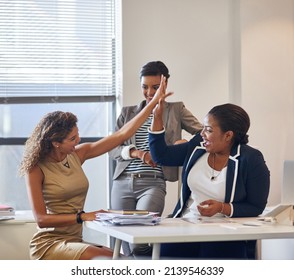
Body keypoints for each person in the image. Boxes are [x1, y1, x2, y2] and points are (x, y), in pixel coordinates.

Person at [18, 75, 170, 260]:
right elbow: (41, 220)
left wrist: (153, 103)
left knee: (123, 260)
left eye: (77, 134)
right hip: (48, 244)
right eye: (72, 139)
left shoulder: (77, 155)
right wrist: (82, 216)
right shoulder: (36, 168)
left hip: (75, 240)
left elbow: (122, 135)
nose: (78, 140)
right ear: (56, 143)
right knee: (110, 260)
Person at [149, 102, 270, 259]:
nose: (202, 134)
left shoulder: (251, 159)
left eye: (209, 130)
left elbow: (256, 206)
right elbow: (161, 156)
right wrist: (157, 117)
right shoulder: (197, 147)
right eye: (203, 128)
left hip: (225, 232)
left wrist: (222, 207)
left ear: (228, 135)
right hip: (185, 225)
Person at [108, 61, 202, 257]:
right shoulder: (127, 113)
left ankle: (158, 261)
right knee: (123, 241)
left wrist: (184, 144)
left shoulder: (176, 109)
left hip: (153, 182)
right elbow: (112, 148)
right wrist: (137, 153)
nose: (149, 92)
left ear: (165, 84)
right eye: (145, 87)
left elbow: (205, 134)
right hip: (122, 181)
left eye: (155, 87)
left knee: (138, 241)